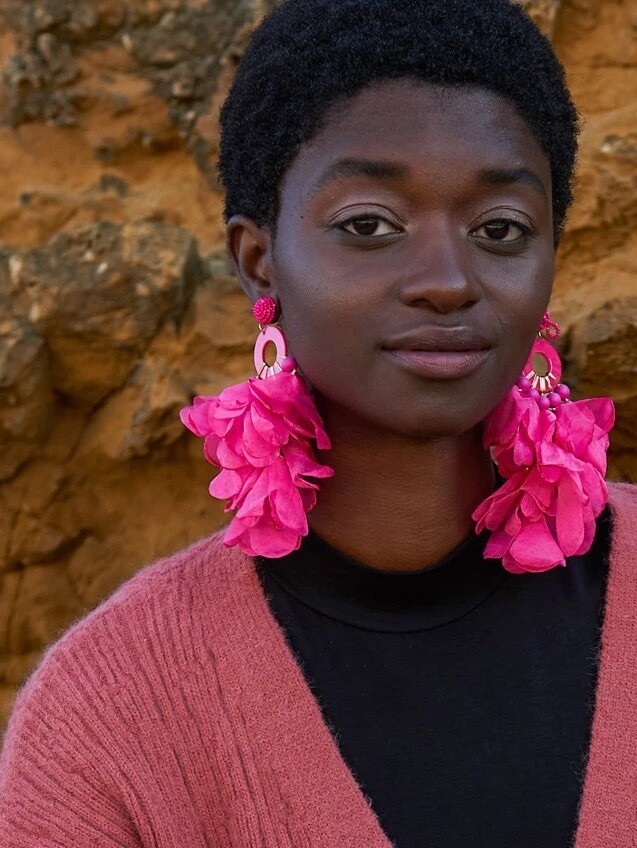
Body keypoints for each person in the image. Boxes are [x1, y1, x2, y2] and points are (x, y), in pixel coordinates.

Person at [1, 1, 635, 846]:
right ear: (256, 259)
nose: (447, 279)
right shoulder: (110, 716)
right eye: (368, 225)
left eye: (500, 228)